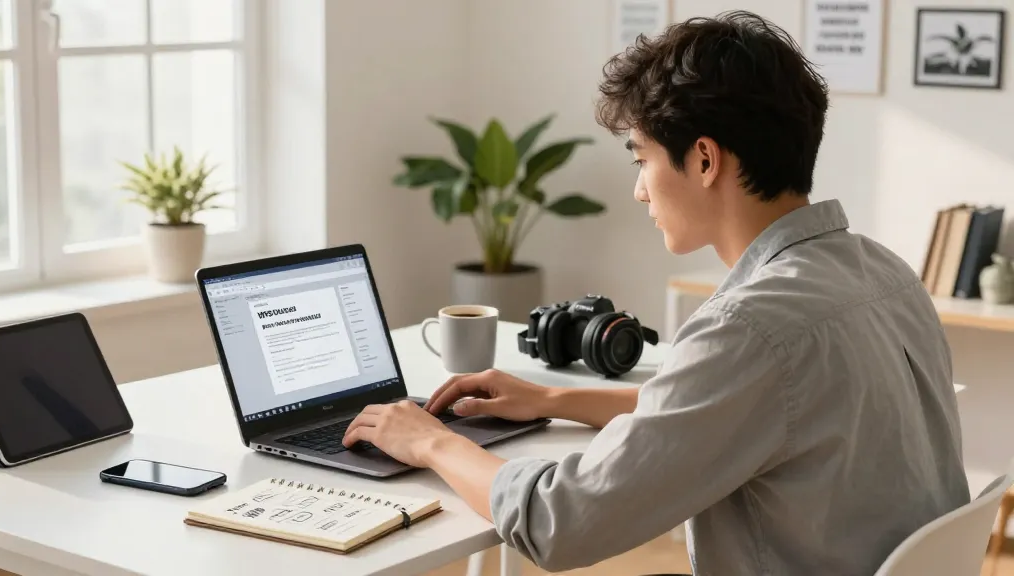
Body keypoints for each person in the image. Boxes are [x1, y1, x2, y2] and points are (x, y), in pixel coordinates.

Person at [343, 10, 970, 575]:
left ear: (703, 160)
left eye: (640, 159)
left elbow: (556, 523)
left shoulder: (750, 328)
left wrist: (429, 441)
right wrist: (554, 397)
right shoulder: (885, 273)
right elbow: (735, 409)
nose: (640, 191)